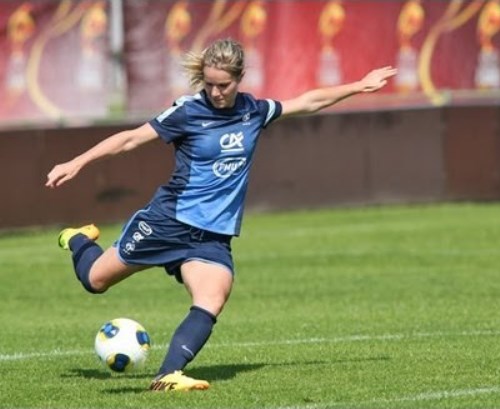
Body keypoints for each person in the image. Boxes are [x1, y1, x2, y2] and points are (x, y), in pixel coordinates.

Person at [45, 38, 397, 391]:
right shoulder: (187, 112)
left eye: (223, 85)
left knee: (212, 298)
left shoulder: (253, 111)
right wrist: (78, 162)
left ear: (239, 78)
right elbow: (131, 139)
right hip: (169, 222)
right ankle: (77, 238)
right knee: (95, 281)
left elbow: (307, 102)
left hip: (212, 236)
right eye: (209, 84)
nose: (215, 92)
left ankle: (168, 374)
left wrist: (358, 86)